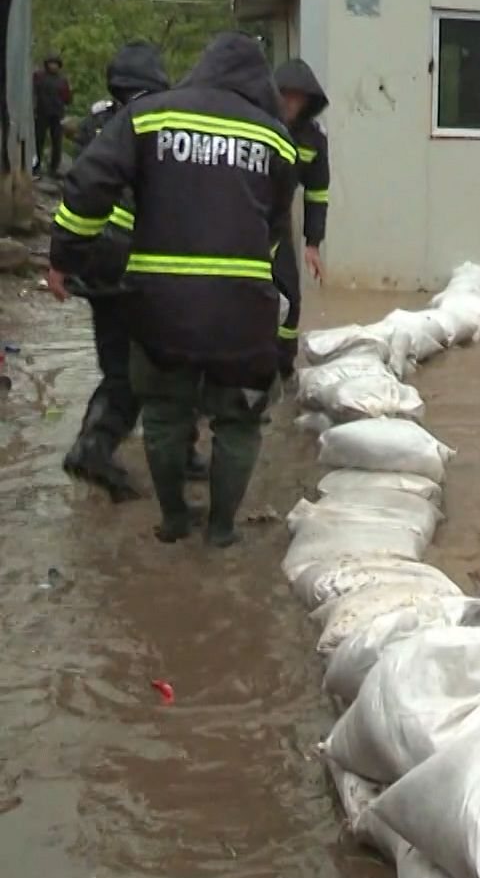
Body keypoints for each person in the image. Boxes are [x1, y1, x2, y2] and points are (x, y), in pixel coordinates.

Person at [49, 32, 296, 546]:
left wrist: (64, 258)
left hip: (159, 303)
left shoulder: (148, 118)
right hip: (240, 309)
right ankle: (223, 530)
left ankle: (175, 522)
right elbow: (273, 227)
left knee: (162, 409)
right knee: (239, 417)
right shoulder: (276, 138)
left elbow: (88, 183)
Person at [54, 42, 171, 503]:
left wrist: (61, 260)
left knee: (118, 364)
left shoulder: (96, 122)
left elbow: (80, 191)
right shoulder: (152, 127)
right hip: (136, 265)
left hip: (94, 266)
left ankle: (95, 444)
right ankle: (102, 448)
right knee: (164, 362)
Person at [272, 58, 330, 378]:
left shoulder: (312, 138)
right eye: (286, 95)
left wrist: (313, 243)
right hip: (242, 220)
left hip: (278, 227)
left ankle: (283, 367)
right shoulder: (258, 124)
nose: (292, 103)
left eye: (299, 97)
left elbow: (317, 192)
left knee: (290, 298)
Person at [32, 55, 71, 177]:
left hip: (57, 114)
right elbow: (33, 92)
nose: (53, 66)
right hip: (41, 113)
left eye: (55, 64)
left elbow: (67, 98)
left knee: (57, 142)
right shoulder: (39, 77)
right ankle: (36, 166)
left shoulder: (62, 80)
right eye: (51, 63)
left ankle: (54, 168)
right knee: (38, 140)